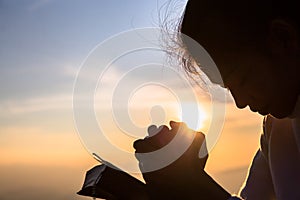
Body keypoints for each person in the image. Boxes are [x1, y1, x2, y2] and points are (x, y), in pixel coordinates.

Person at [134, 0, 300, 199]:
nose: (240, 102)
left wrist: (193, 183)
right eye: (228, 88)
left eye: (243, 79)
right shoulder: (278, 128)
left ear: (283, 38)